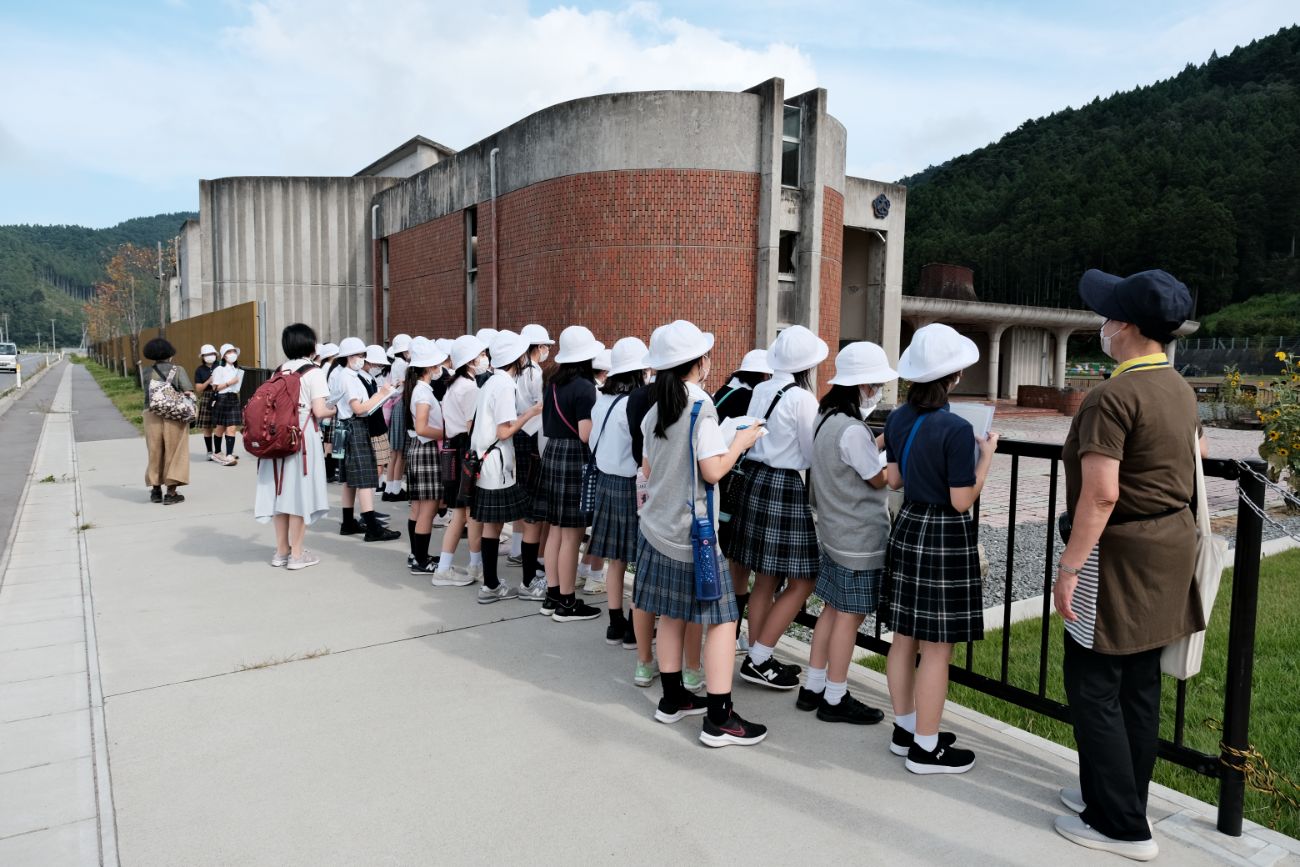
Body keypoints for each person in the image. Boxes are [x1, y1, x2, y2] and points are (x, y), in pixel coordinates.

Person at [1052, 270, 1201, 861]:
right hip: (1169, 548)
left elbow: (1101, 494)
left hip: (1116, 555)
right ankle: (1119, 796)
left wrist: (1069, 568)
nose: (1104, 325)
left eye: (1109, 316)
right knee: (1138, 682)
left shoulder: (1111, 397)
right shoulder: (1178, 387)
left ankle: (1120, 825)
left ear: (1129, 327)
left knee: (1093, 683)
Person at [636, 319, 766, 746]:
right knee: (724, 620)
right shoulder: (700, 407)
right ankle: (719, 718)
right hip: (694, 534)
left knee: (670, 615)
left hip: (656, 527)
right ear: (699, 363)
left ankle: (672, 699)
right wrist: (740, 443)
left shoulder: (655, 410)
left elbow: (649, 467)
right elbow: (712, 471)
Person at [882, 323, 997, 774]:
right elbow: (961, 500)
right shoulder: (956, 427)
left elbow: (894, 480)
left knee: (903, 637)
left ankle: (906, 730)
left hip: (908, 524)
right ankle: (926, 748)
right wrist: (985, 459)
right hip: (944, 534)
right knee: (936, 647)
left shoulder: (897, 418)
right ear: (954, 376)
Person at [799, 342, 896, 724]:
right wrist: (902, 464)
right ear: (862, 386)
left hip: (835, 532)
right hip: (859, 538)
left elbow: (851, 457)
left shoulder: (826, 417)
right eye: (876, 385)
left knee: (832, 609)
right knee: (850, 617)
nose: (878, 392)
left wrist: (880, 442)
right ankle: (835, 696)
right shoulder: (853, 429)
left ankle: (813, 686)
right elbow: (877, 479)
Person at [732, 325, 827, 690]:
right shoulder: (802, 398)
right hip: (783, 484)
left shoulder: (761, 389)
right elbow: (811, 452)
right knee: (805, 578)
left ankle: (759, 657)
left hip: (754, 478)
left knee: (764, 577)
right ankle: (759, 657)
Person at [532, 325, 605, 622]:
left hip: (553, 452)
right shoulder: (585, 388)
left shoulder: (552, 382)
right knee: (572, 535)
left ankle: (552, 596)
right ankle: (567, 602)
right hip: (574, 456)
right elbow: (586, 434)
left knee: (556, 530)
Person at [471, 330, 544, 603]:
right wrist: (531, 413)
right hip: (498, 463)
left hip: (486, 461)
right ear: (517, 357)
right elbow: (504, 431)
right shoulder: (504, 385)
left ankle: (490, 585)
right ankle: (527, 583)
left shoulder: (491, 381)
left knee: (492, 524)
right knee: (524, 518)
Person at [255, 323, 335, 570]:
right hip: (302, 438)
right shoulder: (314, 372)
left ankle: (281, 552)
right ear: (310, 345)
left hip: (276, 437)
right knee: (299, 494)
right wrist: (334, 409)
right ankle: (297, 554)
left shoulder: (279, 370)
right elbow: (319, 411)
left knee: (280, 494)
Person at [587, 336, 649, 645]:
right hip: (629, 485)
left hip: (604, 482)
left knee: (615, 560)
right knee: (641, 559)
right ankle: (636, 629)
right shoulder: (634, 404)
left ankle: (615, 623)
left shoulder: (601, 400)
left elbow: (591, 441)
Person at [712, 347, 773, 654]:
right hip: (733, 481)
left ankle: (728, 630)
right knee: (736, 564)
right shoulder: (747, 399)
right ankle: (731, 632)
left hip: (717, 479)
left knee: (727, 559)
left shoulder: (723, 392)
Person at [402, 337, 468, 584]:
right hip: (427, 449)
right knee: (427, 510)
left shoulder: (419, 389)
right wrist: (447, 433)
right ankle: (421, 560)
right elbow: (421, 427)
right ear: (430, 367)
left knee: (419, 509)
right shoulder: (422, 392)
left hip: (420, 449)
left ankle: (416, 555)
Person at [330, 337, 401, 543]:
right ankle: (372, 527)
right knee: (364, 478)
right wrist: (382, 394)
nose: (362, 359)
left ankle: (348, 522)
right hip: (356, 426)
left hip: (348, 427)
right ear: (348, 357)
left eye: (362, 355)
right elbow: (359, 408)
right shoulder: (348, 377)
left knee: (350, 479)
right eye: (359, 355)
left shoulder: (347, 375)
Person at [431, 334, 488, 583]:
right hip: (466, 448)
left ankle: (446, 567)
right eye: (481, 354)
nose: (485, 358)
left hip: (453, 449)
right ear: (471, 360)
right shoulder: (469, 388)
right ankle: (475, 565)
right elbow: (471, 425)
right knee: (472, 514)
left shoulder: (455, 385)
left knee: (460, 513)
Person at [510, 323, 553, 599]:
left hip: (518, 433)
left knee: (524, 500)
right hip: (533, 436)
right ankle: (531, 572)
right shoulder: (535, 373)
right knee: (534, 507)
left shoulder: (517, 371)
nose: (548, 350)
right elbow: (541, 407)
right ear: (538, 347)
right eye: (546, 345)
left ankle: (522, 554)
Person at [141, 337, 194, 505]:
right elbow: (188, 391)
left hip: (151, 413)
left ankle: (155, 490)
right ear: (170, 353)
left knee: (155, 451)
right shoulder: (178, 370)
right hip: (174, 414)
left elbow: (146, 392)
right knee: (175, 450)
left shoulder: (146, 371)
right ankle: (171, 492)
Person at [360, 344, 394, 496]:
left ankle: (369, 502)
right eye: (376, 364)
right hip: (372, 427)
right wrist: (381, 395)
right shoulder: (360, 378)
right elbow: (366, 405)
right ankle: (368, 504)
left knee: (379, 466)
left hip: (377, 425)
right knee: (375, 468)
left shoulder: (369, 378)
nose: (378, 367)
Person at [384, 333, 413, 503]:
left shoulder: (395, 364)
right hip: (402, 405)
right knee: (400, 452)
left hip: (396, 406)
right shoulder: (404, 365)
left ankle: (390, 488)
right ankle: (395, 490)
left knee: (394, 453)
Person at [209, 343, 245, 465]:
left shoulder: (237, 370)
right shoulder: (219, 369)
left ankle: (229, 454)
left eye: (234, 351)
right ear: (224, 356)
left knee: (232, 427)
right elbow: (215, 388)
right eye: (229, 352)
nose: (232, 354)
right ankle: (218, 452)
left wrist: (235, 384)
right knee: (220, 427)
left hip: (233, 397)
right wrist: (230, 382)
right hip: (222, 398)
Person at [193, 343, 219, 461]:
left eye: (211, 353)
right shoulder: (200, 370)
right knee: (207, 427)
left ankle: (219, 451)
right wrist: (208, 381)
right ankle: (209, 451)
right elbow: (198, 389)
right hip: (207, 397)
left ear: (215, 354)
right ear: (202, 357)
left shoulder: (220, 366)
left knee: (221, 425)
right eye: (206, 354)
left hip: (221, 395)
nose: (209, 356)